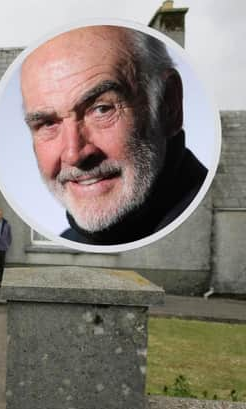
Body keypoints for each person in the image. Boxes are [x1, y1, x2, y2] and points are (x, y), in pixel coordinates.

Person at [20, 25, 208, 245]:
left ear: (169, 105)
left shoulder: (198, 227)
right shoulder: (68, 240)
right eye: (48, 123)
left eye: (102, 109)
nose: (74, 154)